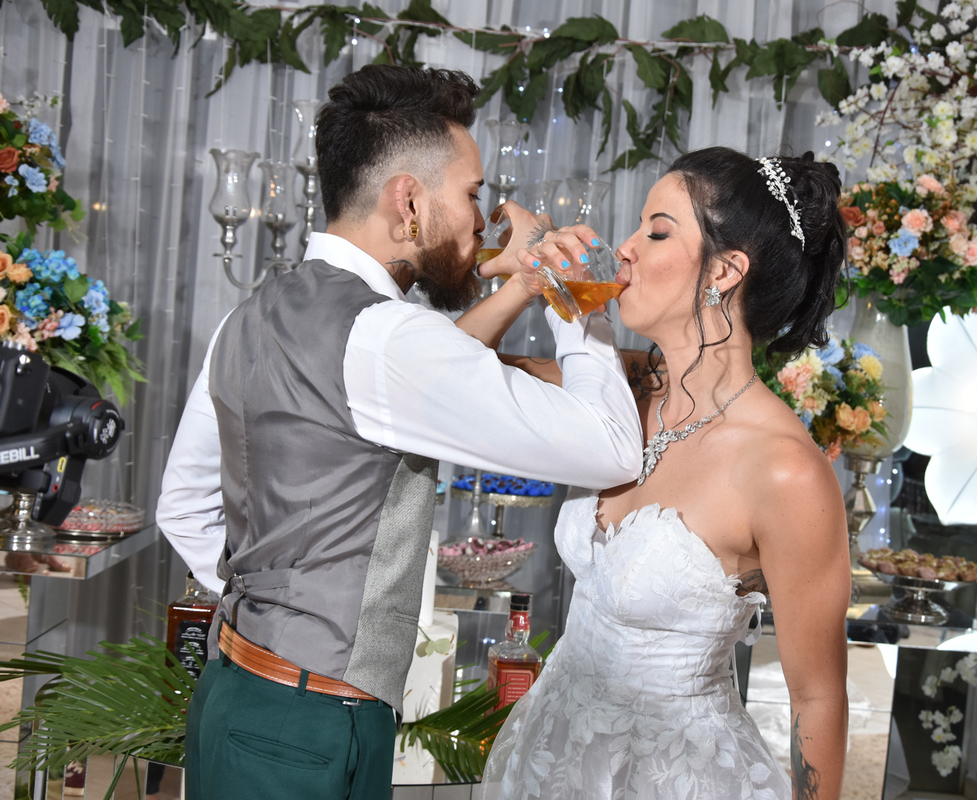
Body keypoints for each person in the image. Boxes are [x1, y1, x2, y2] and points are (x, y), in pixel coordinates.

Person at [156, 64, 642, 800]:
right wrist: (574, 291)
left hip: (236, 692)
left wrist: (282, 612)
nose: (481, 221)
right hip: (314, 726)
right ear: (408, 201)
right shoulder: (387, 338)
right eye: (472, 194)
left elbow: (182, 507)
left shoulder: (253, 313)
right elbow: (608, 447)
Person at [478, 148, 851, 800]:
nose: (624, 249)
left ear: (725, 271)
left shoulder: (785, 471)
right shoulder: (622, 388)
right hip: (546, 759)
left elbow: (818, 695)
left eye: (656, 231)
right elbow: (452, 376)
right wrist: (529, 277)